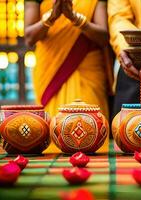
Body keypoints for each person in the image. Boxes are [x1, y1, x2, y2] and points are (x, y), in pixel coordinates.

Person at [25, 0, 112, 152]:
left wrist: (74, 18)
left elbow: (103, 37)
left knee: (90, 128)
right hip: (51, 68)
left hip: (86, 67)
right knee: (52, 133)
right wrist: (51, 17)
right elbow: (29, 37)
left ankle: (94, 171)